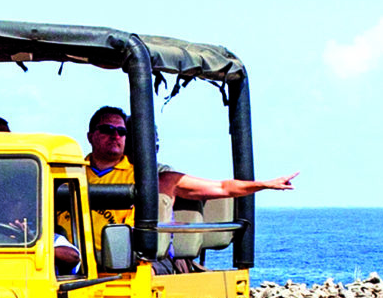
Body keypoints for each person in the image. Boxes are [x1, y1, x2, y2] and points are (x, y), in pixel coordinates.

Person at [67, 105, 295, 272]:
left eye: (121, 131)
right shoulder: (69, 174)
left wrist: (265, 184)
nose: (115, 136)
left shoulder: (154, 179)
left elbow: (221, 187)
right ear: (90, 136)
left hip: (131, 261)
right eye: (107, 130)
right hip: (72, 262)